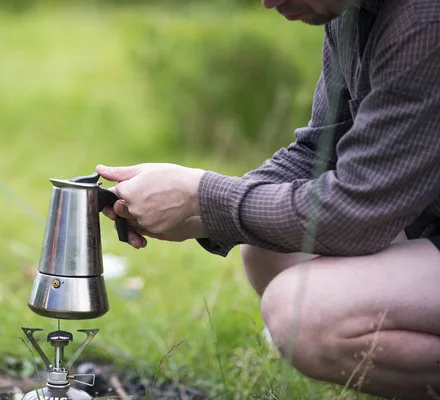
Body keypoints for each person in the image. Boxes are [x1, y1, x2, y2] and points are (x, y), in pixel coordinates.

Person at [97, 0, 440, 398]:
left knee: (302, 314)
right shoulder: (350, 10)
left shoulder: (424, 20)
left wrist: (201, 199)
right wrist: (197, 208)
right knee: (267, 251)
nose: (267, 1)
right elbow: (319, 153)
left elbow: (354, 213)